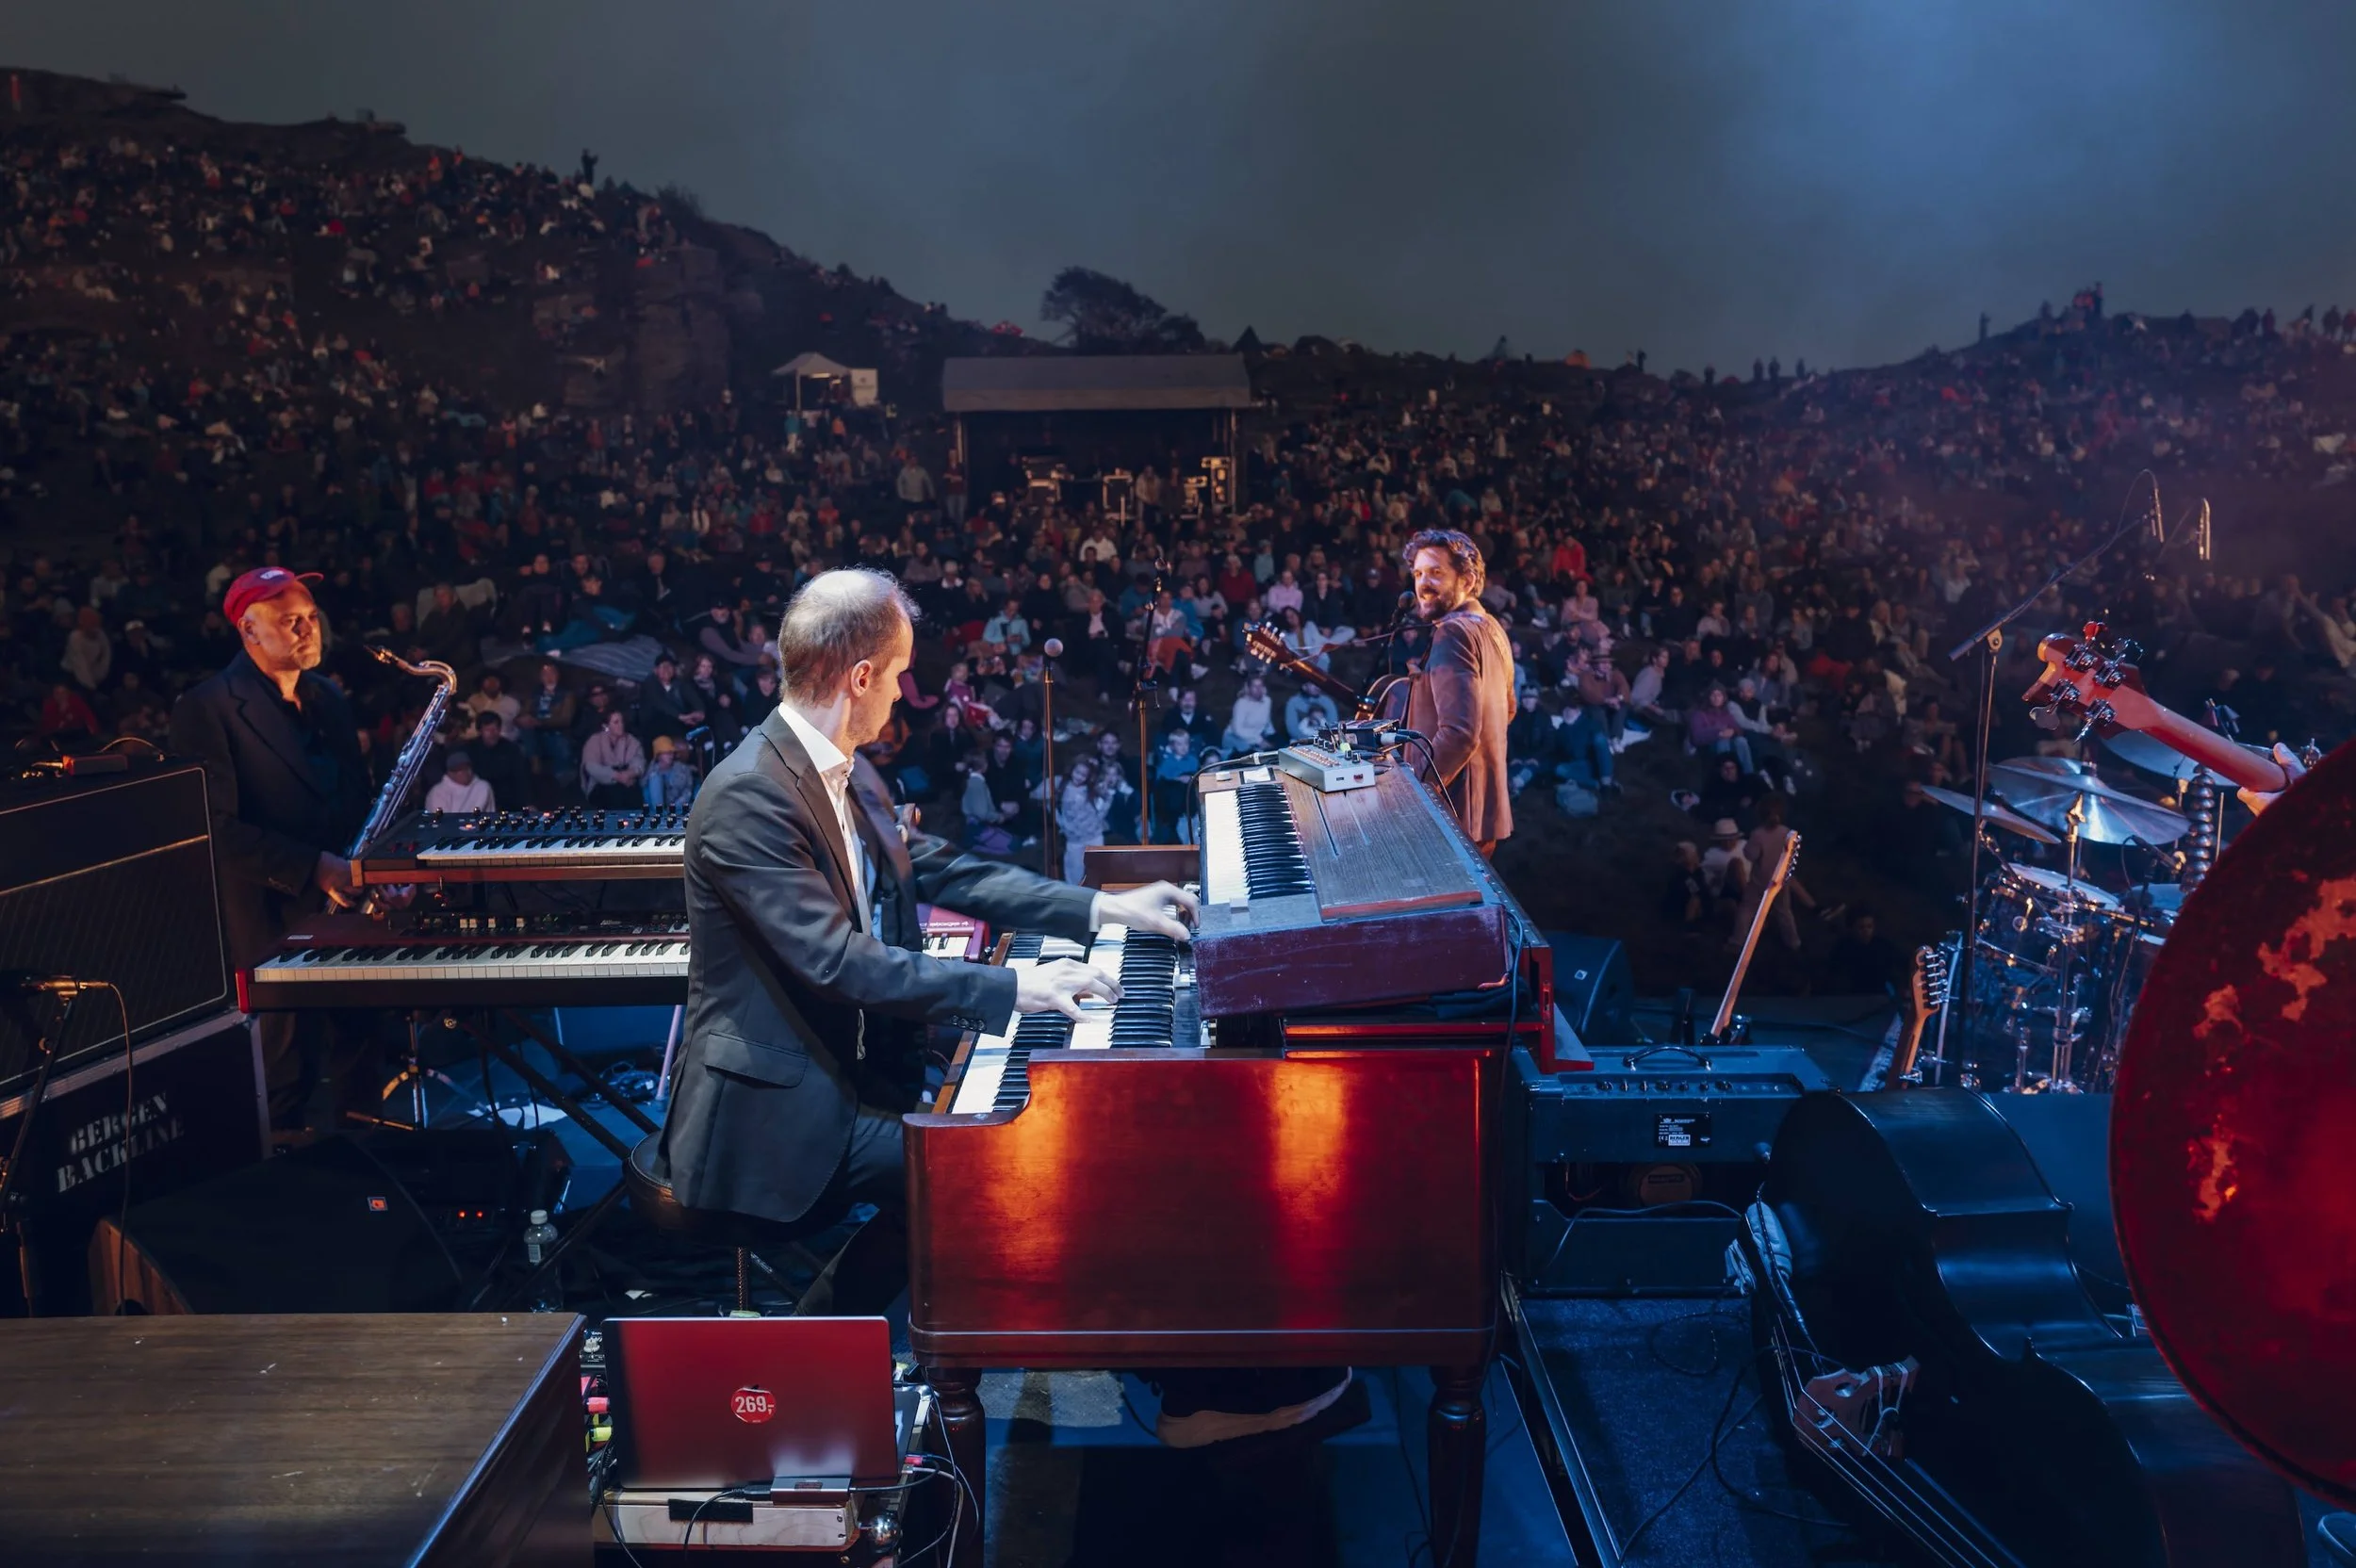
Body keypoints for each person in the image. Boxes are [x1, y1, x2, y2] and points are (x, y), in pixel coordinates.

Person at [652, 568, 1196, 1322]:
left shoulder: (846, 767)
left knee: (986, 1162)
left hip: (858, 1072)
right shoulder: (748, 794)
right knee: (979, 1176)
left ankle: (819, 1347)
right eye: (900, 676)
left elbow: (942, 867)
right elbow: (835, 959)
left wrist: (1104, 908)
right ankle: (804, 1359)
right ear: (861, 675)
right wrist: (1011, 992)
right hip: (777, 1111)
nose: (905, 695)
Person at [168, 566, 374, 1128]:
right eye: (290, 621)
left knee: (364, 1070)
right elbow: (215, 830)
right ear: (249, 631)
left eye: (311, 618)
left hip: (350, 920)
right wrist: (316, 868)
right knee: (286, 1089)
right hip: (271, 928)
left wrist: (380, 868)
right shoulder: (206, 708)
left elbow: (358, 798)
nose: (308, 630)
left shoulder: (329, 697)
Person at [1391, 529, 1514, 854]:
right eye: (1418, 573)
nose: (1422, 584)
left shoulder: (1453, 632)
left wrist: (1414, 794)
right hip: (1484, 818)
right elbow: (1508, 709)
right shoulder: (1494, 629)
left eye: (1436, 573)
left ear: (1468, 580)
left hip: (1451, 818)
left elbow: (1460, 734)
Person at [581, 709, 646, 805]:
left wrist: (629, 774)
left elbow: (639, 761)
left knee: (633, 794)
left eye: (622, 721)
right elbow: (591, 767)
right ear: (606, 726)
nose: (621, 725)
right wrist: (617, 776)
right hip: (601, 783)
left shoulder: (631, 740)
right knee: (614, 795)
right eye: (616, 722)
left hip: (627, 780)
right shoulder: (595, 740)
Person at [425, 749, 493, 813]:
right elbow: (442, 821)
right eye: (459, 769)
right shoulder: (438, 792)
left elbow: (490, 814)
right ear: (450, 773)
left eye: (466, 768)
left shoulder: (482, 787)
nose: (465, 772)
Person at [643, 733, 698, 808]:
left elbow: (687, 792)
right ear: (658, 755)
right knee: (655, 779)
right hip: (655, 811)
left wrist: (674, 807)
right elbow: (645, 789)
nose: (670, 755)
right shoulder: (651, 771)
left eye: (671, 752)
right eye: (666, 753)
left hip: (677, 808)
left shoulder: (683, 769)